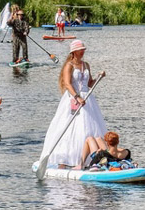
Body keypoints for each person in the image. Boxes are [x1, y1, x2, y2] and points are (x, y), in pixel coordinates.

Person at [40, 39, 107, 169]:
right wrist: (77, 97)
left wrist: (100, 77)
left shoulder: (86, 65)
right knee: (71, 128)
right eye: (80, 50)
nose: (83, 52)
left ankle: (88, 159)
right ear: (74, 52)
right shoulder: (69, 65)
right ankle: (64, 159)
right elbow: (67, 84)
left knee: (89, 128)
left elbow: (89, 84)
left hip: (87, 99)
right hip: (73, 99)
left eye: (83, 50)